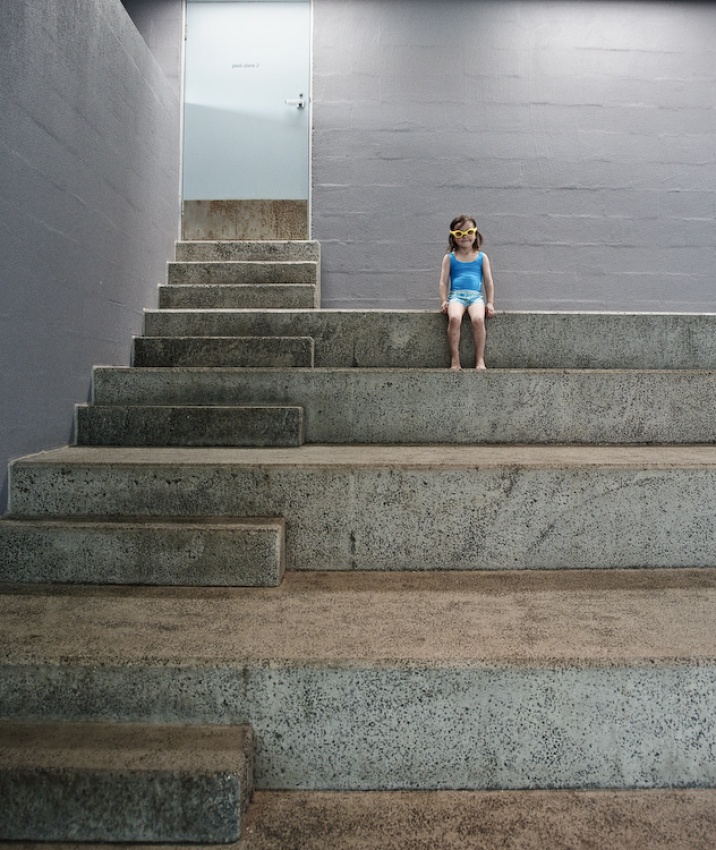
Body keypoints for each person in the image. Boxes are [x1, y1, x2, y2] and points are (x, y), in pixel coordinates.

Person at [439, 215, 495, 370]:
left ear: (475, 234)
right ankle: (455, 358)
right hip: (456, 296)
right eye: (459, 233)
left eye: (469, 232)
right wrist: (444, 300)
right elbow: (443, 282)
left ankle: (480, 358)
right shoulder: (449, 258)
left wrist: (490, 303)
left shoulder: (482, 257)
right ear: (453, 237)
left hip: (475, 297)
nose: (465, 236)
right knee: (454, 318)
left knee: (478, 319)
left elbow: (489, 282)